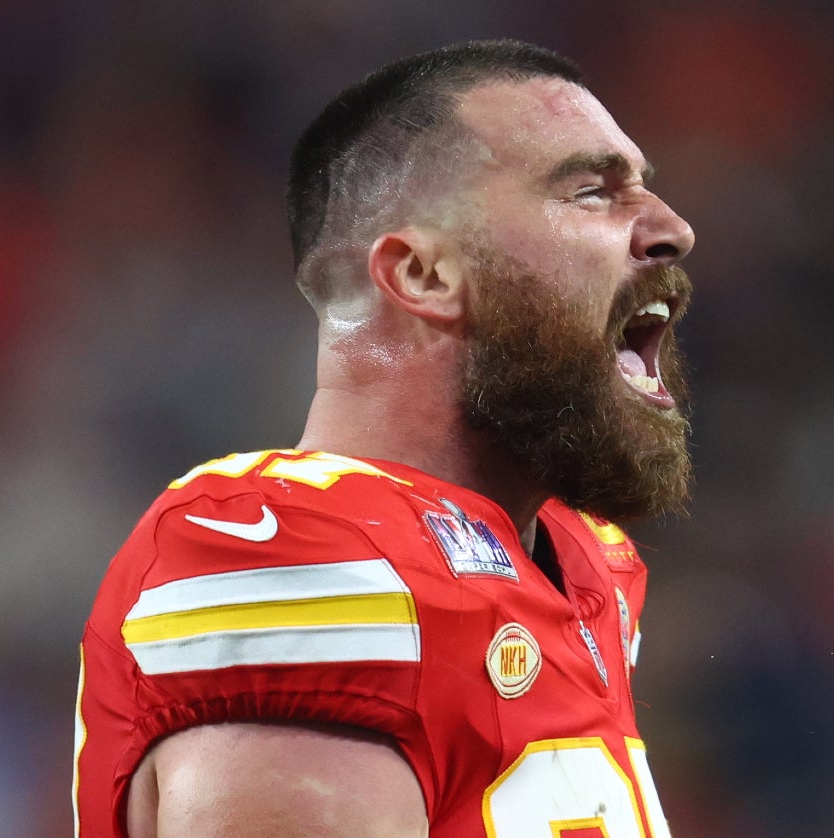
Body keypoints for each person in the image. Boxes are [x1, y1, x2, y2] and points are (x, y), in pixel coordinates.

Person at [74, 38, 696, 837]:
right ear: (422, 275)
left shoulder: (582, 563)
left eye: (644, 188)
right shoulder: (291, 552)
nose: (672, 228)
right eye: (590, 192)